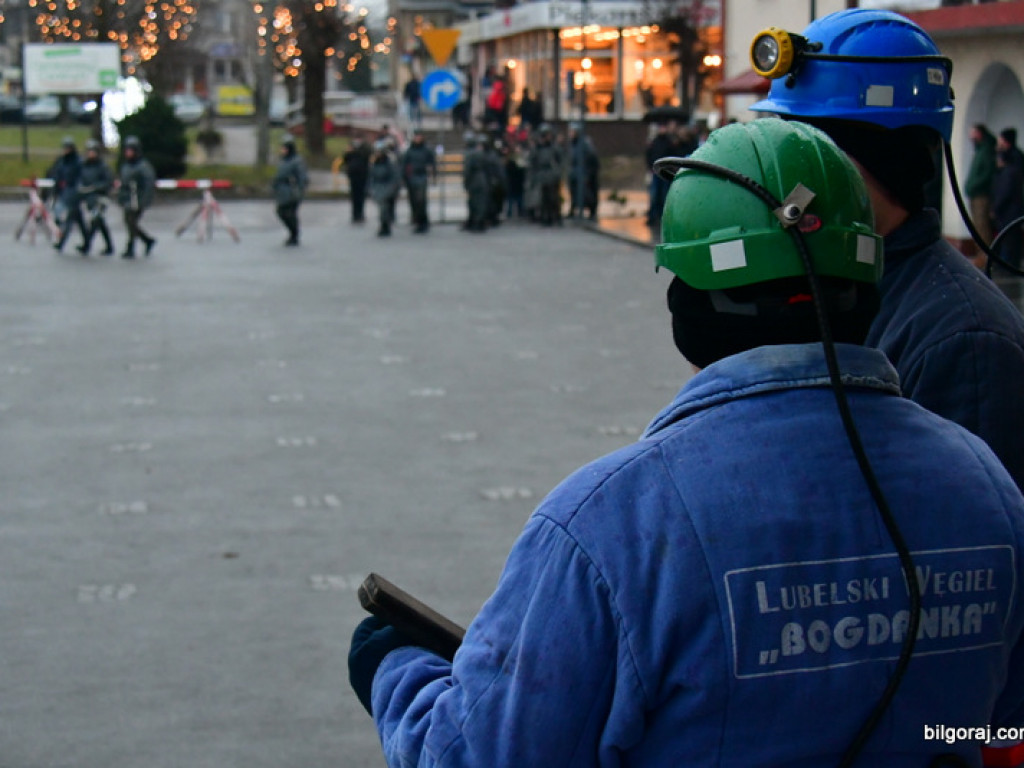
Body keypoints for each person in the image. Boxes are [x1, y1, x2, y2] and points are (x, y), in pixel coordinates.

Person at [348, 119, 1024, 767]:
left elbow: (480, 757)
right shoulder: (989, 490)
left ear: (689, 306)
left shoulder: (613, 525)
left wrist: (397, 670)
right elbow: (1004, 723)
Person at [751, 8, 1024, 492]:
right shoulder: (844, 286)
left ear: (881, 158)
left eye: (805, 147)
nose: (788, 174)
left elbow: (964, 547)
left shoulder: (965, 341)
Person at [116, 135, 156, 259]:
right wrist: (121, 196)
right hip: (128, 198)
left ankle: (131, 247)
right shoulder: (126, 166)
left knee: (131, 222)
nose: (128, 153)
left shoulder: (143, 166)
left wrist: (143, 200)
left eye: (130, 150)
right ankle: (147, 240)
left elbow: (149, 184)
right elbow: (123, 183)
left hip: (137, 199)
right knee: (129, 222)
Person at [76, 139, 115, 257]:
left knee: (95, 220)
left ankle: (87, 244)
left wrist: (96, 187)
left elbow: (108, 182)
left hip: (100, 198)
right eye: (89, 151)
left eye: (93, 151)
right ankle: (109, 246)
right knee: (99, 222)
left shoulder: (103, 167)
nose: (91, 154)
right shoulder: (83, 166)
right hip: (88, 197)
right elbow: (79, 178)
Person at [48, 136, 85, 254]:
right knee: (79, 219)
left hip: (73, 193)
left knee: (69, 219)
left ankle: (61, 242)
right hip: (65, 192)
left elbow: (81, 177)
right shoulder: (62, 161)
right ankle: (87, 240)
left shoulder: (78, 161)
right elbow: (56, 174)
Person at [965, 123, 997, 258]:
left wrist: (973, 186)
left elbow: (987, 173)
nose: (970, 136)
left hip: (981, 195)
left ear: (979, 133)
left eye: (972, 132)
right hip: (975, 194)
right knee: (977, 226)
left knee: (982, 226)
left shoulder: (986, 151)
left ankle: (985, 256)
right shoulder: (980, 150)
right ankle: (981, 255)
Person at [271, 134, 307, 246]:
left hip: (291, 191)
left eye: (284, 148)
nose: (282, 150)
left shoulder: (296, 161)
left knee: (289, 213)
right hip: (282, 191)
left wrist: (299, 189)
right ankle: (292, 233)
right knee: (282, 212)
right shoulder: (284, 160)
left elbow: (302, 177)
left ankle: (294, 234)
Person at [992, 146, 1024, 270]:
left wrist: (995, 208)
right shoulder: (1015, 172)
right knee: (1012, 240)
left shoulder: (1007, 173)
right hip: (1014, 211)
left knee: (1008, 240)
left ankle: (1006, 265)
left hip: (1008, 212)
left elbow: (1004, 193)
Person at [400, 130, 436, 234]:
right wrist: (404, 177)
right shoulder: (410, 151)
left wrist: (432, 175)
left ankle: (423, 221)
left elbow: (431, 163)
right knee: (413, 201)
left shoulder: (426, 150)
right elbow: (404, 164)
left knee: (421, 200)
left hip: (421, 176)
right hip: (411, 178)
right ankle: (416, 219)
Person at [528, 123, 562, 227]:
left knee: (553, 197)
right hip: (542, 175)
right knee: (542, 198)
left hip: (551, 174)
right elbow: (533, 162)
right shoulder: (537, 148)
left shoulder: (554, 148)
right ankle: (544, 216)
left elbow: (560, 160)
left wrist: (557, 173)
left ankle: (554, 216)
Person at [644, 122, 677, 227]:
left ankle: (661, 217)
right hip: (655, 172)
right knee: (654, 195)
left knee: (663, 195)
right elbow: (649, 154)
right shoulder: (654, 142)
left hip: (664, 173)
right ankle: (653, 216)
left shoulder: (668, 142)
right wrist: (650, 166)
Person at [567, 122, 600, 220]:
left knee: (587, 193)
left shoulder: (585, 144)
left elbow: (591, 158)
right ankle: (574, 209)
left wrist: (588, 172)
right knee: (574, 192)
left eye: (572, 132)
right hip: (575, 173)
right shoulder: (573, 143)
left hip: (584, 173)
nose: (570, 134)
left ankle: (592, 212)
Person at [368, 139, 400, 237]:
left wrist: (391, 189)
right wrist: (371, 189)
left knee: (385, 208)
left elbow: (394, 177)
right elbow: (371, 177)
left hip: (387, 189)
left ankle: (385, 225)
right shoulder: (374, 164)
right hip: (378, 188)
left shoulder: (390, 163)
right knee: (382, 209)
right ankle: (384, 225)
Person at [460, 132, 490, 233]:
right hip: (481, 178)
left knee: (475, 202)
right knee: (479, 201)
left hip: (474, 179)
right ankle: (478, 221)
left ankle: (477, 222)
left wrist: (465, 181)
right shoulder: (480, 152)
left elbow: (467, 170)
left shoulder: (469, 154)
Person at [342, 137, 371, 224]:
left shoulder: (364, 151)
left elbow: (367, 156)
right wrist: (348, 152)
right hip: (353, 176)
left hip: (362, 176)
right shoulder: (350, 153)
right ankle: (355, 214)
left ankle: (360, 214)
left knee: (361, 196)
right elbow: (345, 159)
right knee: (354, 196)